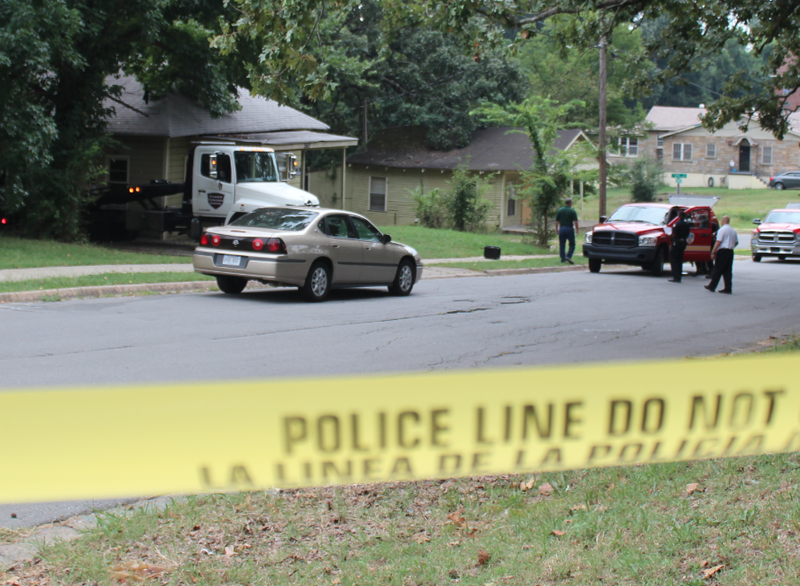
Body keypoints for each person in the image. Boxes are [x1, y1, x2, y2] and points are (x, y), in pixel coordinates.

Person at [704, 215, 738, 294]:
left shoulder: (722, 230)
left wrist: (713, 252)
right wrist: (731, 246)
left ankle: (712, 286)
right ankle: (728, 288)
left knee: (718, 269)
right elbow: (736, 242)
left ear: (723, 221)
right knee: (727, 271)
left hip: (722, 251)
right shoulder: (733, 230)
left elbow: (718, 241)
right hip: (730, 251)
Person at [554, 198, 579, 264]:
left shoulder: (560, 210)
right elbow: (575, 222)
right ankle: (568, 255)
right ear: (570, 203)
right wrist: (577, 230)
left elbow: (556, 221)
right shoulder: (572, 211)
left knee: (562, 244)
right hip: (569, 229)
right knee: (572, 244)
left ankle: (563, 258)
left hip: (562, 228)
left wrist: (556, 229)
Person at [668, 210, 690, 282]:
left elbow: (674, 234)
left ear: (679, 216)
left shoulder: (677, 224)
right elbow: (687, 234)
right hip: (683, 243)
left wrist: (668, 235)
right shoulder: (687, 224)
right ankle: (679, 276)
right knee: (680, 260)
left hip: (677, 243)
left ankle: (676, 276)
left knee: (674, 260)